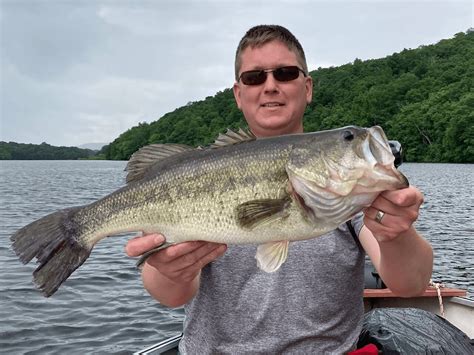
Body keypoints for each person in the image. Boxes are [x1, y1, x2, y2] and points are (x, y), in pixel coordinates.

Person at [126, 25, 433, 353]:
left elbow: (410, 283)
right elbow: (171, 295)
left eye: (285, 73)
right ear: (238, 94)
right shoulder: (192, 177)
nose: (270, 86)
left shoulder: (353, 195)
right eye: (254, 78)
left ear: (308, 87)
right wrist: (173, 272)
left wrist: (396, 234)